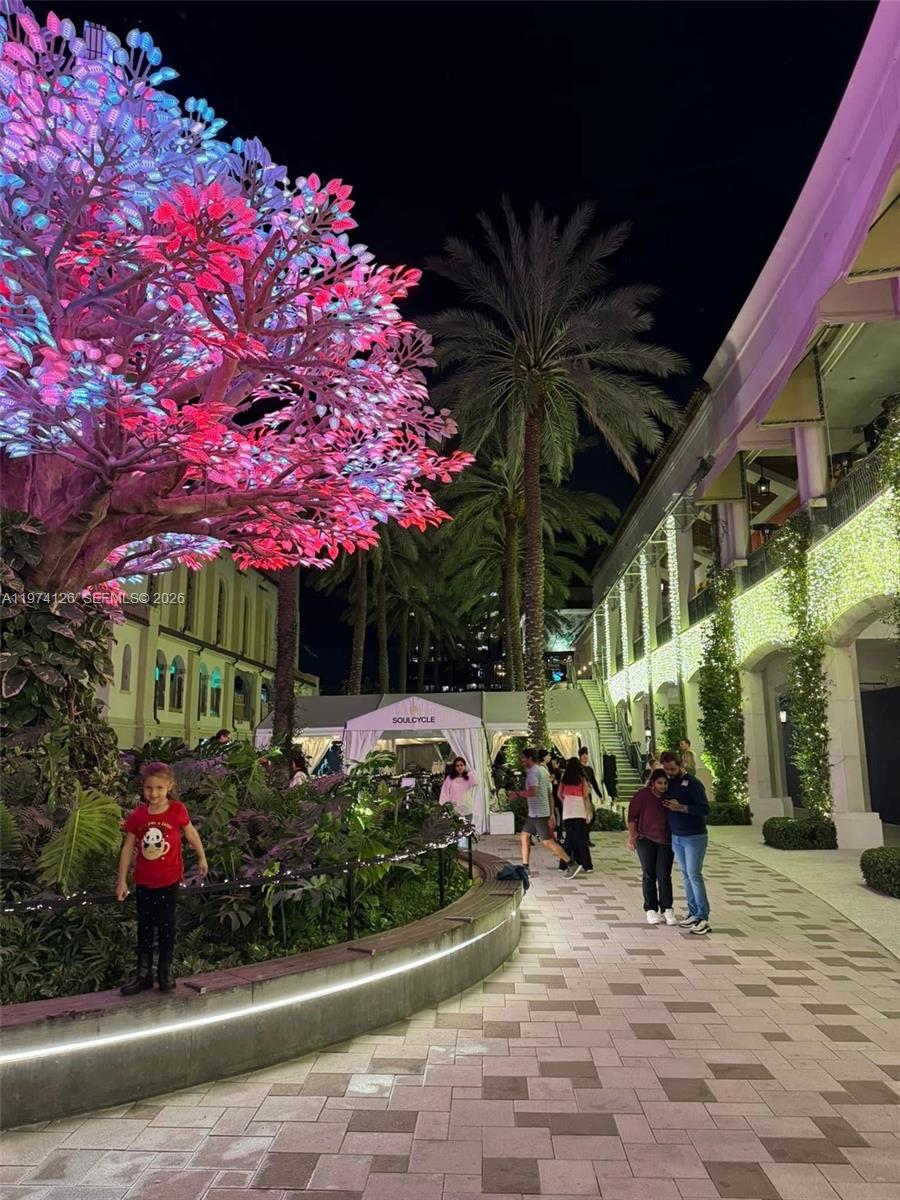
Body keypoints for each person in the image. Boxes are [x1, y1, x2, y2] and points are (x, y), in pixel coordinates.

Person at [117, 762, 208, 994]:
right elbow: (127, 847)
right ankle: (143, 973)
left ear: (169, 786)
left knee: (167, 925)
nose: (154, 793)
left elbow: (190, 832)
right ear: (143, 788)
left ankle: (165, 971)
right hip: (144, 882)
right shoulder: (138, 816)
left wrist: (201, 857)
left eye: (159, 788)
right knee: (145, 927)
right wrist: (122, 880)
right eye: (149, 788)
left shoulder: (177, 810)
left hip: (168, 881)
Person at [660, 750, 711, 935]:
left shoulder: (693, 783)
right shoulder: (670, 783)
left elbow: (705, 809)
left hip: (694, 836)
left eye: (672, 769)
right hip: (677, 836)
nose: (669, 772)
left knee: (694, 874)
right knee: (685, 875)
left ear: (680, 765)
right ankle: (693, 912)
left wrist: (681, 807)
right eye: (666, 769)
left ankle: (703, 917)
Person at [517, 748, 582, 878]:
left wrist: (517, 794)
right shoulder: (543, 771)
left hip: (538, 813)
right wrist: (551, 813)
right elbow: (550, 794)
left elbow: (533, 791)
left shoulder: (533, 772)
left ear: (530, 758)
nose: (521, 760)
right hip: (536, 813)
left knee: (548, 842)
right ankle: (525, 867)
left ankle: (571, 863)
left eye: (523, 758)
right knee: (524, 836)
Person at [627, 768, 676, 925]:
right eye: (660, 783)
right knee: (649, 874)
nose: (663, 786)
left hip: (666, 840)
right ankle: (651, 909)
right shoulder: (642, 795)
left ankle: (667, 908)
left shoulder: (670, 797)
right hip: (645, 839)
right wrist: (632, 837)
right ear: (653, 783)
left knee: (664, 875)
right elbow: (631, 817)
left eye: (665, 783)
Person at [559, 757, 593, 873]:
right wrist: (589, 812)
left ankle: (563, 865)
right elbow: (586, 797)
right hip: (579, 809)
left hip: (568, 810)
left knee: (569, 838)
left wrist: (565, 802)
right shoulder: (581, 779)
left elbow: (559, 794)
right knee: (581, 838)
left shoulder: (564, 779)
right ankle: (587, 865)